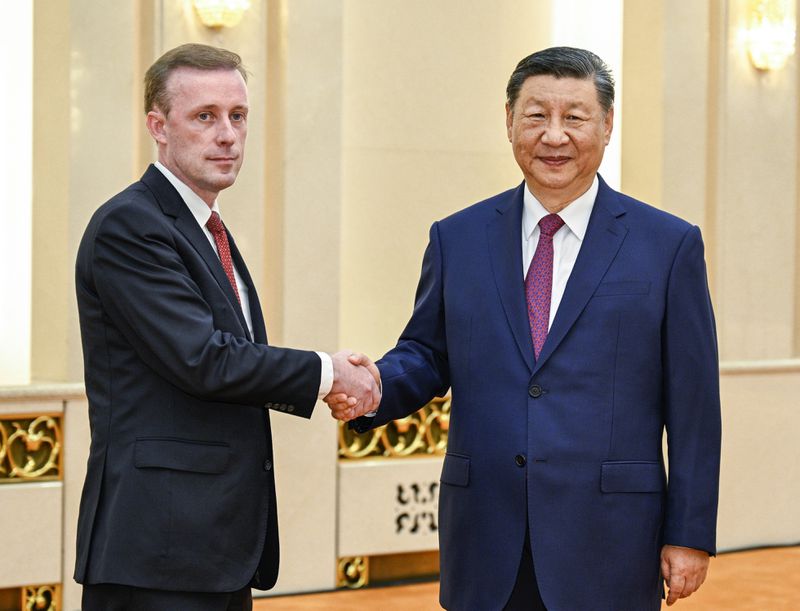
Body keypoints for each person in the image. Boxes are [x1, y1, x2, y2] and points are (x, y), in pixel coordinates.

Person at [328, 46, 721, 611]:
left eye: (575, 117)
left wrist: (689, 533)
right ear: (508, 120)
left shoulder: (668, 246)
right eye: (536, 115)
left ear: (607, 125)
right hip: (487, 537)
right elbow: (426, 353)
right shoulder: (456, 238)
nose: (554, 136)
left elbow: (695, 407)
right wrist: (376, 387)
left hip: (610, 541)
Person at [74, 43, 379, 611]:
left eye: (238, 116)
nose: (228, 135)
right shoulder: (130, 225)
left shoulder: (205, 226)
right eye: (205, 116)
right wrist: (327, 372)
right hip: (158, 548)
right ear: (158, 127)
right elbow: (204, 359)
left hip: (210, 545)